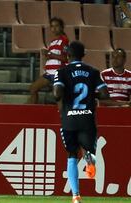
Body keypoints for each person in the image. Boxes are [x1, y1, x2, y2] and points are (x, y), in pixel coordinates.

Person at [53, 41, 111, 203]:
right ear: (83, 55)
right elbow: (106, 95)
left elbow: (57, 94)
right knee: (88, 149)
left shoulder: (62, 72)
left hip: (69, 119)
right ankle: (89, 157)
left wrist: (64, 93)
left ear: (68, 55)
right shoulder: (93, 72)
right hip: (87, 119)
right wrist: (93, 96)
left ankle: (76, 196)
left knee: (71, 155)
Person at [29, 17, 69, 104]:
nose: (54, 28)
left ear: (62, 27)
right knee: (33, 88)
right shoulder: (52, 42)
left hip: (58, 73)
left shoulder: (64, 40)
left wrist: (50, 54)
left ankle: (63, 115)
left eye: (57, 26)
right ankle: (32, 111)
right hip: (49, 73)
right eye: (52, 26)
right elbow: (53, 56)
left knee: (59, 97)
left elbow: (65, 58)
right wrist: (48, 56)